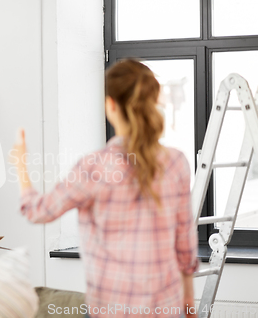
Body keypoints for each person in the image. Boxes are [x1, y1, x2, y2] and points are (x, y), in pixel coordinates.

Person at [11, 59, 198, 318]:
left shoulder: (94, 167)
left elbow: (38, 211)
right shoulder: (177, 162)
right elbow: (185, 243)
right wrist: (188, 301)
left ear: (110, 105)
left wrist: (20, 164)